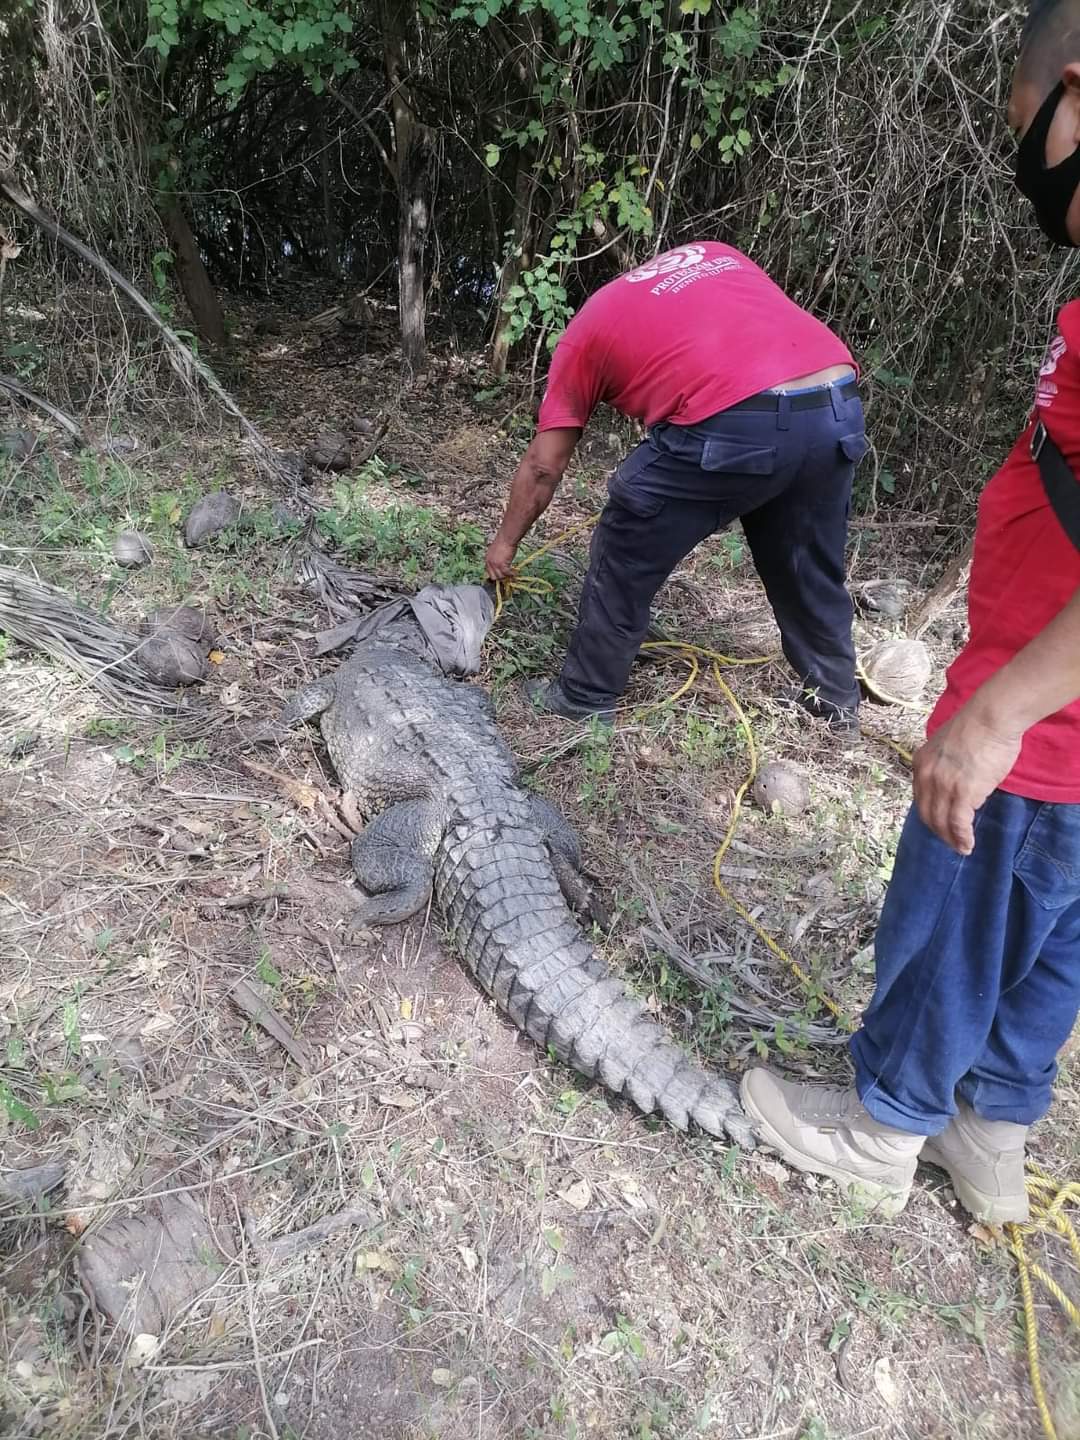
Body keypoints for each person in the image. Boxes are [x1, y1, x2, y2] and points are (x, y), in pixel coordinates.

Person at [740, 0, 1080, 1224]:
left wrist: (996, 718)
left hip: (1046, 724)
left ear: (1077, 94)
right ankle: (991, 1129)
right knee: (1051, 937)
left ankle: (884, 1125)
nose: (1026, 164)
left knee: (962, 902)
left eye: (1025, 127)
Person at [483, 241, 866, 727]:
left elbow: (544, 465)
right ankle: (834, 703)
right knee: (806, 563)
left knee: (627, 534)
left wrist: (504, 545)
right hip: (836, 404)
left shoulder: (584, 334)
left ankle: (584, 696)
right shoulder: (714, 253)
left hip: (738, 417)